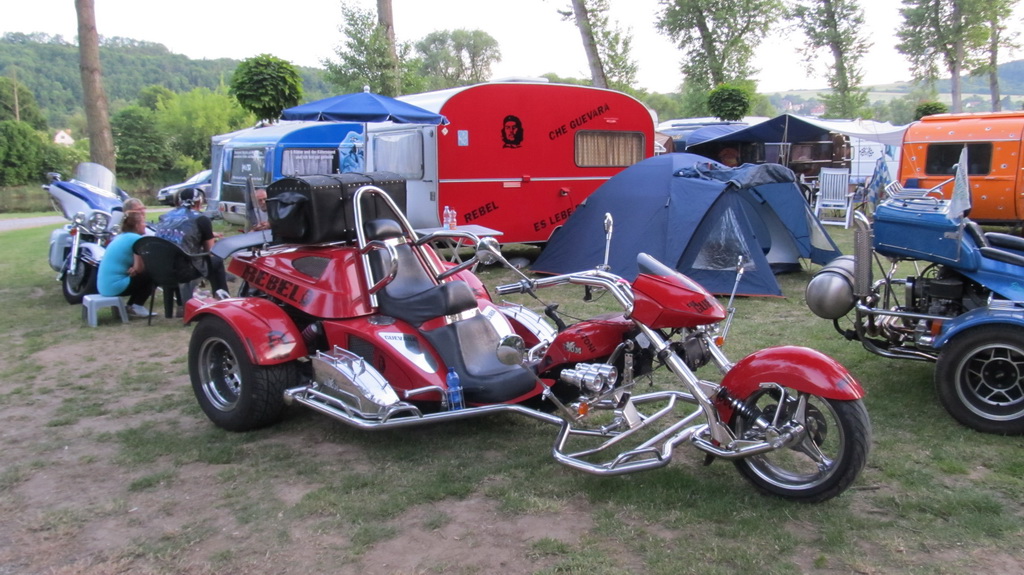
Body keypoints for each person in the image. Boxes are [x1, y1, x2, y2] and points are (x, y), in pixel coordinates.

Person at [155, 188, 230, 298]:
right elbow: (210, 252)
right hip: (184, 271)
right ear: (199, 202)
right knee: (216, 261)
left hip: (159, 269)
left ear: (179, 201)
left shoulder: (164, 217)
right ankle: (222, 299)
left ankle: (180, 301)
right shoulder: (201, 219)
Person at [98, 211, 155, 317]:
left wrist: (134, 268)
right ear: (137, 225)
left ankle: (131, 307)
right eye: (143, 222)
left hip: (104, 286)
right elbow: (140, 269)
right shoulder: (136, 239)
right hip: (115, 287)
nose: (145, 225)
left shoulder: (120, 237)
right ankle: (137, 306)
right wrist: (135, 268)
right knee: (152, 273)